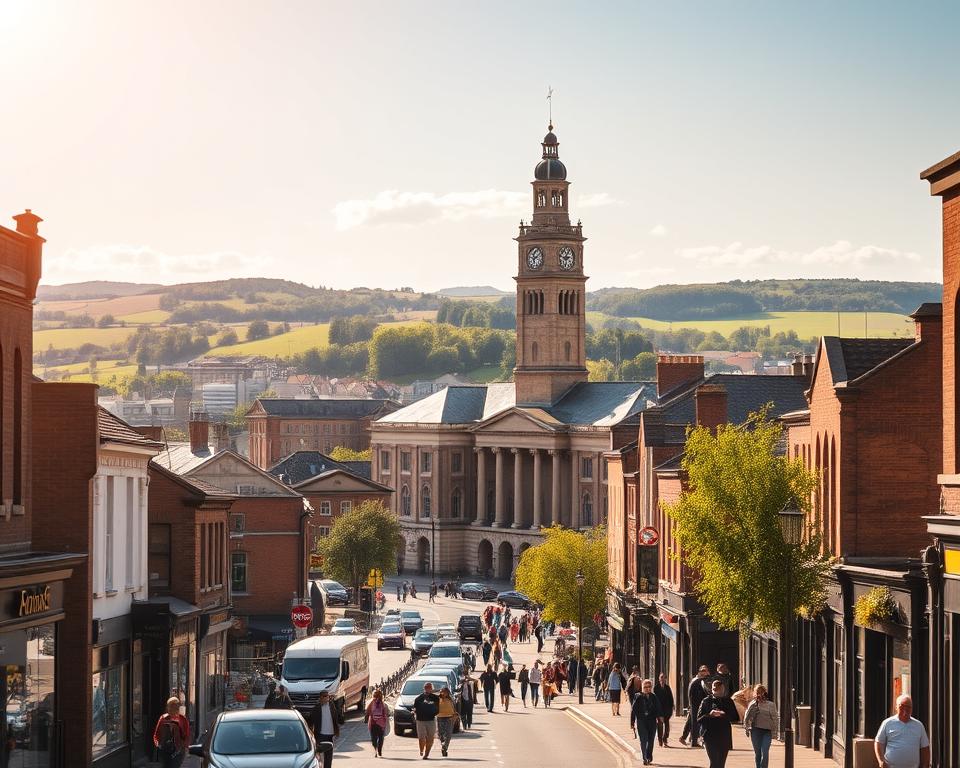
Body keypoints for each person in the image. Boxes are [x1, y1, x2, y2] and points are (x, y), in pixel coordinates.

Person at [874, 694, 930, 768]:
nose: (905, 710)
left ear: (912, 709)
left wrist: (925, 765)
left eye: (908, 707)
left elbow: (925, 748)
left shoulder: (918, 725)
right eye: (902, 706)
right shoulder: (887, 723)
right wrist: (881, 761)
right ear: (896, 707)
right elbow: (878, 742)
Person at [697, 678, 739, 768]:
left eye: (720, 689)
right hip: (709, 736)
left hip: (724, 736)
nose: (718, 692)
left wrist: (724, 714)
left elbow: (735, 718)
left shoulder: (728, 701)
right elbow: (699, 719)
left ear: (723, 689)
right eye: (715, 689)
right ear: (712, 689)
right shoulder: (706, 701)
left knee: (721, 764)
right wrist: (710, 715)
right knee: (714, 762)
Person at [743, 684, 778, 768]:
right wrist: (746, 728)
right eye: (758, 692)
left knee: (765, 752)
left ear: (765, 693)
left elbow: (775, 718)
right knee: (758, 753)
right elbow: (746, 717)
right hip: (755, 731)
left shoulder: (771, 705)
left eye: (762, 692)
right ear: (755, 693)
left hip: (767, 731)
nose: (760, 694)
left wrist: (775, 731)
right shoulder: (753, 704)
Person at [630, 679, 664, 766]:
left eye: (649, 687)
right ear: (642, 687)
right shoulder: (638, 696)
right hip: (641, 721)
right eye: (645, 687)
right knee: (643, 739)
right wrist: (632, 722)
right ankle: (644, 757)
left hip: (652, 721)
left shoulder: (654, 696)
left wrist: (660, 717)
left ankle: (649, 756)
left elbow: (658, 708)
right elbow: (633, 710)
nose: (647, 689)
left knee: (651, 740)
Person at [152, 696, 189, 768]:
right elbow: (156, 735)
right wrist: (158, 745)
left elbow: (186, 736)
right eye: (170, 706)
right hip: (165, 750)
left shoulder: (182, 719)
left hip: (178, 751)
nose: (172, 709)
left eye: (175, 706)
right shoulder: (163, 718)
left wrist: (184, 747)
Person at [681, 665, 711, 747]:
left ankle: (684, 737)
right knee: (695, 723)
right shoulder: (697, 681)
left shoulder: (697, 680)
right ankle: (694, 741)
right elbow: (696, 694)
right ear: (700, 672)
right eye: (704, 672)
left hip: (694, 704)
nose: (707, 674)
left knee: (691, 721)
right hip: (696, 705)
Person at [309, 691, 341, 768]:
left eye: (327, 696)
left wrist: (337, 731)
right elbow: (311, 720)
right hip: (320, 734)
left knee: (329, 756)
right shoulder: (317, 708)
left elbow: (336, 718)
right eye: (324, 696)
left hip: (330, 734)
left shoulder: (332, 705)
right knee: (318, 755)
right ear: (320, 698)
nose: (326, 697)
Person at [413, 681, 440, 760]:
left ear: (432, 689)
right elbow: (415, 708)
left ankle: (426, 754)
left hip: (431, 720)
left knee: (430, 738)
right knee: (421, 738)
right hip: (420, 720)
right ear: (424, 688)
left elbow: (438, 708)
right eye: (426, 687)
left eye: (429, 687)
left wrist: (434, 713)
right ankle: (421, 749)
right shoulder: (419, 698)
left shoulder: (435, 698)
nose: (428, 689)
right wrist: (415, 712)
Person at [365, 688, 390, 758]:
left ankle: (375, 750)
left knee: (373, 738)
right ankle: (379, 750)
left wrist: (366, 718)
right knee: (381, 738)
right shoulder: (384, 704)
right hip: (381, 724)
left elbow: (367, 711)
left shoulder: (371, 703)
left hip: (373, 723)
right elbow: (387, 713)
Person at [654, 673, 675, 747]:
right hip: (659, 710)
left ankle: (665, 739)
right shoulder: (656, 688)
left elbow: (671, 698)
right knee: (660, 726)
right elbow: (654, 700)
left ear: (666, 679)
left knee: (667, 727)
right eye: (661, 677)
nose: (663, 679)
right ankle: (660, 740)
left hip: (667, 710)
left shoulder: (667, 687)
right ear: (659, 679)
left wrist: (672, 707)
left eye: (664, 678)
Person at [436, 687, 458, 757]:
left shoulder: (450, 699)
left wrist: (455, 715)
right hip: (440, 717)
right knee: (440, 734)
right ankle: (443, 745)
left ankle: (444, 747)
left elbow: (453, 707)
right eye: (442, 691)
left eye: (444, 692)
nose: (443, 693)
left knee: (448, 734)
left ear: (447, 692)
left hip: (449, 717)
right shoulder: (437, 699)